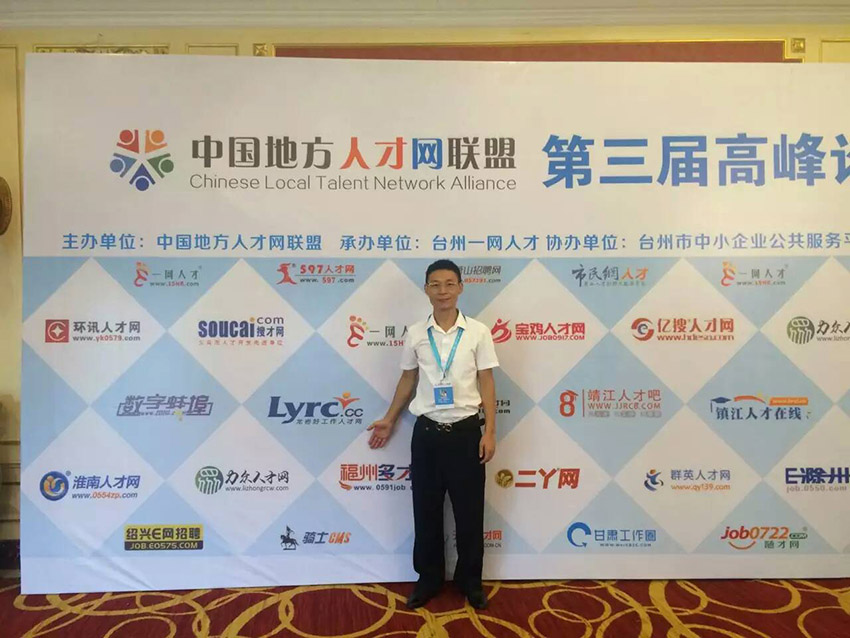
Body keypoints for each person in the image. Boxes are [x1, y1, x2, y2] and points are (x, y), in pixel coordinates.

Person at [367, 259, 498, 610]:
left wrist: (490, 431)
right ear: (426, 289)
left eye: (449, 284)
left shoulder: (478, 332)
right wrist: (389, 419)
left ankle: (471, 582)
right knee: (425, 511)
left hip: (466, 433)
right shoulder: (415, 333)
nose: (443, 291)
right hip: (426, 435)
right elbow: (408, 379)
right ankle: (428, 580)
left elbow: (487, 380)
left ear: (460, 288)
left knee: (469, 513)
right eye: (435, 284)